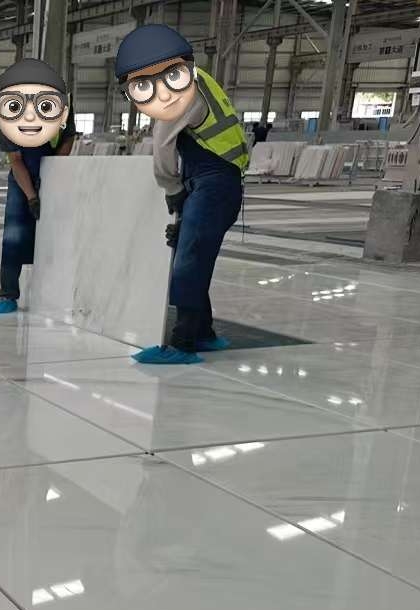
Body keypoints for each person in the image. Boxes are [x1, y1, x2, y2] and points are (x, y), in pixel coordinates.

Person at [116, 24, 247, 363]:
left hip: (213, 184)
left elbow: (162, 148)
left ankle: (182, 343)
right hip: (216, 183)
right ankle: (203, 333)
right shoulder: (198, 79)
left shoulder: (177, 94)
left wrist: (172, 188)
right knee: (193, 257)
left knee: (188, 262)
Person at [0, 58, 75, 315]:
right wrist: (31, 197)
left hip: (53, 171)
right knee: (15, 234)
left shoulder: (62, 104)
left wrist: (54, 173)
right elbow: (16, 160)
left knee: (55, 236)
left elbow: (68, 139)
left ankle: (55, 292)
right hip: (22, 178)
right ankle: (8, 294)